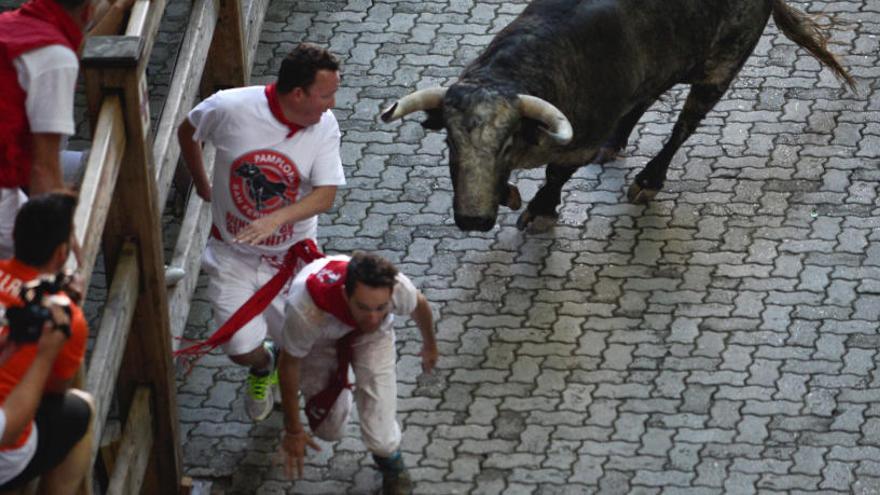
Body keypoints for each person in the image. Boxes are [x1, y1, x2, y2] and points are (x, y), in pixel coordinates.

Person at [177, 42, 345, 421]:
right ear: (298, 93)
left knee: (298, 340)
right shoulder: (229, 108)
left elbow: (325, 196)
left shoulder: (323, 127)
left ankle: (286, 371)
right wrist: (200, 183)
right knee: (238, 344)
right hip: (232, 252)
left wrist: (277, 217)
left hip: (290, 256)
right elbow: (187, 131)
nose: (332, 103)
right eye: (326, 94)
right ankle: (261, 365)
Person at [277, 251, 438, 495]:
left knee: (381, 436)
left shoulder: (397, 288)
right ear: (345, 294)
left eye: (381, 308)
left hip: (372, 340)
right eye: (363, 307)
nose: (373, 317)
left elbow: (420, 305)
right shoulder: (305, 308)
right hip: (319, 341)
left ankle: (392, 465)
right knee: (328, 430)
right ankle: (276, 350)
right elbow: (289, 364)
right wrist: (294, 429)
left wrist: (430, 345)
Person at [0, 0, 134, 259]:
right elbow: (44, 170)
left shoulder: (8, 24)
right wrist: (60, 232)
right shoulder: (55, 57)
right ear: (88, 11)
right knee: (48, 263)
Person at [0, 192, 94, 493]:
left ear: (15, 234)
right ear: (60, 253)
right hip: (7, 455)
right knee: (82, 409)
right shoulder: (65, 317)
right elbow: (56, 388)